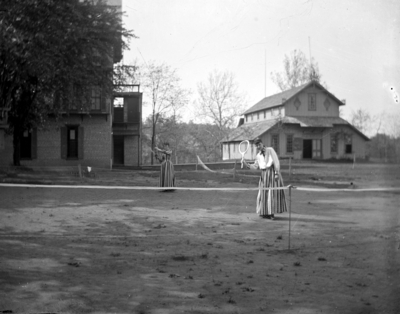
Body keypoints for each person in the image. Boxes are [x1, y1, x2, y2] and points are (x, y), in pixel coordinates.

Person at [242, 137, 287, 219]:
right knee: (262, 194)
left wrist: (276, 173)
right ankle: (264, 212)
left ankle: (271, 213)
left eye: (259, 144)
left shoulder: (270, 150)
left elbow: (276, 161)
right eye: (257, 145)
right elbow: (255, 166)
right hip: (263, 175)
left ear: (262, 143)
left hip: (271, 173)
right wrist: (246, 164)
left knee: (271, 193)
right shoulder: (258, 155)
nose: (258, 146)